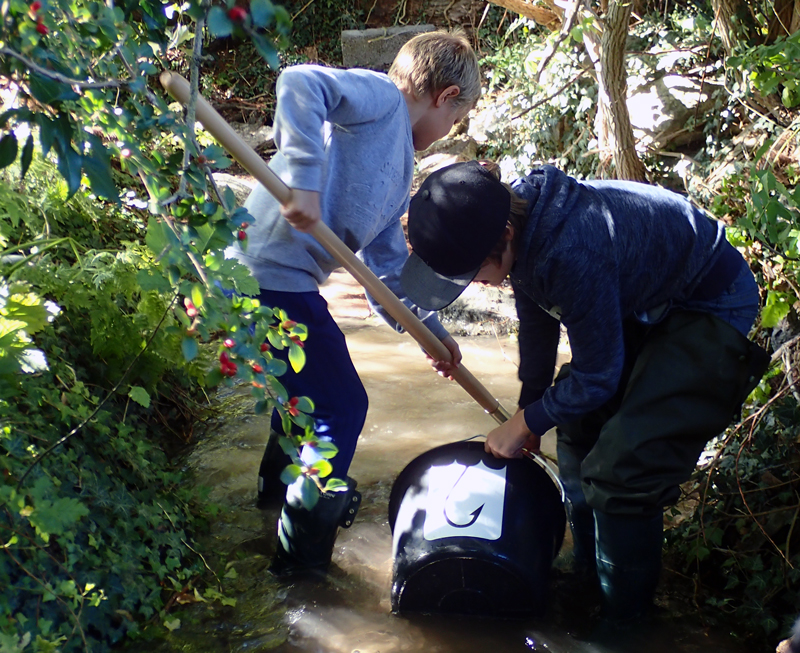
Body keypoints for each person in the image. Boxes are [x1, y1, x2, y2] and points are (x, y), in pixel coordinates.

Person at [399, 161, 769, 623]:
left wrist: (528, 423)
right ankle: (587, 575)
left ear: (507, 235)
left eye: (474, 272)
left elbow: (598, 376)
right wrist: (528, 408)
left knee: (623, 471)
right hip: (642, 296)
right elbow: (537, 316)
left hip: (709, 299)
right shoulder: (515, 224)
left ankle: (623, 621)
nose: (473, 283)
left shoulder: (570, 247)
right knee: (574, 429)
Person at [228, 32, 481, 576]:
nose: (449, 133)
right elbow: (299, 82)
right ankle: (298, 569)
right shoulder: (382, 99)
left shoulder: (400, 176)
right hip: (262, 275)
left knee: (306, 402)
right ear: (445, 95)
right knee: (342, 407)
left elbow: (385, 275)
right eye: (457, 120)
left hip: (280, 286)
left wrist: (431, 332)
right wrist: (304, 177)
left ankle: (273, 507)